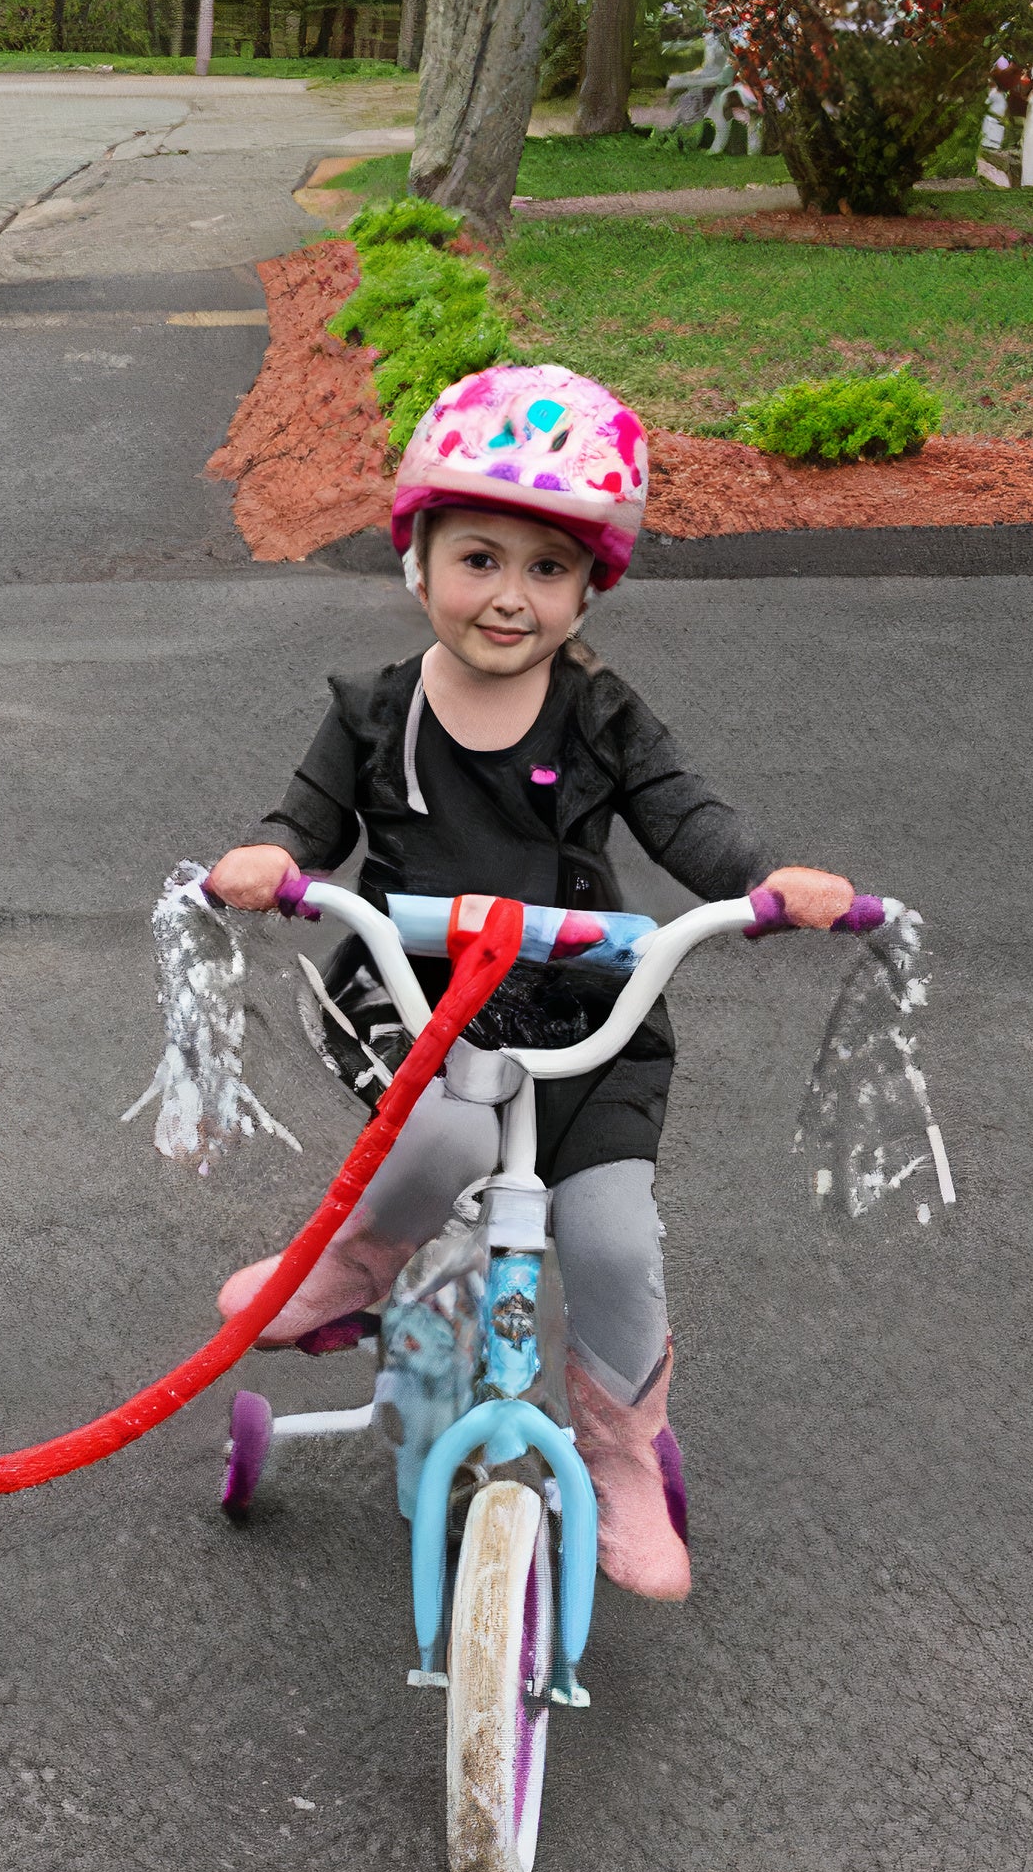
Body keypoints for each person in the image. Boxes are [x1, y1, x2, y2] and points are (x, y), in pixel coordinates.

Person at [203, 363, 856, 1600]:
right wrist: (271, 861)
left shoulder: (601, 718)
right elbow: (304, 821)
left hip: (581, 1008)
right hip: (414, 996)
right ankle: (350, 1266)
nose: (509, 596)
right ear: (420, 559)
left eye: (546, 569)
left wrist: (769, 882)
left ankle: (616, 1450)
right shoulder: (370, 713)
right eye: (480, 558)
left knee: (609, 1237)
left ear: (586, 583)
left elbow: (684, 818)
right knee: (444, 1120)